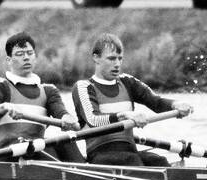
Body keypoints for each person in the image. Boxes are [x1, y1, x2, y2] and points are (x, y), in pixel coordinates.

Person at [72, 33, 193, 166]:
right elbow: (93, 119)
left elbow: (156, 102)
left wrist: (176, 104)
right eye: (111, 59)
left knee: (158, 161)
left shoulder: (127, 81)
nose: (117, 64)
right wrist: (125, 115)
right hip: (100, 155)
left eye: (120, 58)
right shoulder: (84, 87)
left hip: (129, 151)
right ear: (96, 58)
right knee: (133, 161)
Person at [0, 32, 86, 163]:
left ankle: (89, 177)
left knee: (66, 142)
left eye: (30, 53)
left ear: (35, 57)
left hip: (35, 151)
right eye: (20, 54)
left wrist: (67, 119)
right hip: (8, 153)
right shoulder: (0, 84)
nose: (26, 58)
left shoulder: (49, 90)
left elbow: (61, 113)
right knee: (46, 148)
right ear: (8, 60)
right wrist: (5, 106)